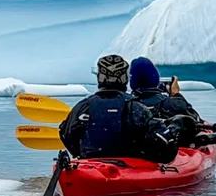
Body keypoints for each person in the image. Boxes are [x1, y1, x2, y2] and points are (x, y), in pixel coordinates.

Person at [58, 55, 196, 163]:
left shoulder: (82, 106)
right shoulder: (136, 108)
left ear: (100, 78)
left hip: (90, 163)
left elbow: (66, 134)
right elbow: (164, 153)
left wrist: (80, 153)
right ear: (124, 79)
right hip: (129, 166)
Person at [129, 57, 200, 120]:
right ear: (155, 78)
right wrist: (176, 95)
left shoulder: (126, 106)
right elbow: (194, 119)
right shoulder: (171, 105)